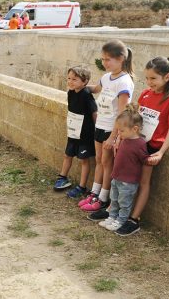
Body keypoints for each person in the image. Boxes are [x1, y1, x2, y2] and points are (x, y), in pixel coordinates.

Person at [116, 56, 169, 236]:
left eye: (153, 78)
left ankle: (134, 219)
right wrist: (120, 138)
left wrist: (161, 152)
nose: (148, 82)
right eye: (147, 78)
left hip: (151, 148)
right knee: (124, 178)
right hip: (135, 144)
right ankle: (116, 211)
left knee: (144, 182)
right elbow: (134, 119)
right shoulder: (146, 94)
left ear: (167, 77)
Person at [79, 40, 134, 213]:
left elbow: (122, 112)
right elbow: (96, 89)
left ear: (121, 59)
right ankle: (95, 192)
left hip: (111, 129)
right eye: (103, 59)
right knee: (99, 160)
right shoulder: (106, 77)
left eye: (108, 59)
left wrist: (113, 136)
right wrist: (80, 86)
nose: (104, 63)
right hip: (100, 125)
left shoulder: (124, 82)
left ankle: (103, 197)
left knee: (106, 162)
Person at [98, 106, 148, 231]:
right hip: (117, 177)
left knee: (124, 202)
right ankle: (112, 216)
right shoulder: (124, 140)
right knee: (114, 199)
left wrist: (150, 159)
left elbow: (144, 159)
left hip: (128, 181)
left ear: (135, 129)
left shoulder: (140, 143)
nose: (119, 133)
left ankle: (121, 220)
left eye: (122, 131)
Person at [53, 67, 97, 198]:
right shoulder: (70, 93)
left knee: (84, 159)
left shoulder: (87, 95)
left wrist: (96, 131)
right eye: (69, 79)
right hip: (73, 132)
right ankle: (62, 177)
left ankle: (82, 187)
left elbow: (94, 113)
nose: (70, 82)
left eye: (75, 79)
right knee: (68, 155)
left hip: (85, 134)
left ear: (85, 82)